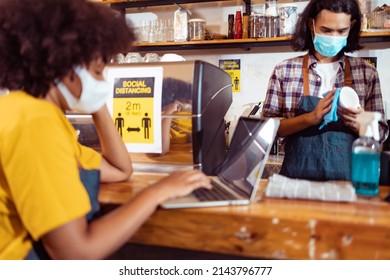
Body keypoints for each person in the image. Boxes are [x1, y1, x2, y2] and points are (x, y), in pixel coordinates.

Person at [0, 0, 211, 260]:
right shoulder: (35, 122)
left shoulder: (23, 110)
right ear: (66, 66)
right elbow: (76, 252)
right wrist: (158, 191)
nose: (103, 81)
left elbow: (121, 170)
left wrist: (97, 104)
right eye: (98, 71)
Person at [262, 0, 389, 181]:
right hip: (296, 185)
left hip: (348, 185)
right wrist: (310, 118)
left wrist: (362, 124)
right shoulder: (285, 71)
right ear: (311, 24)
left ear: (351, 26)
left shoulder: (366, 73)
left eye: (341, 31)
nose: (334, 37)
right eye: (326, 30)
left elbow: (382, 133)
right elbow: (267, 130)